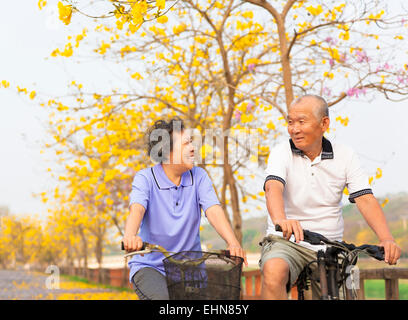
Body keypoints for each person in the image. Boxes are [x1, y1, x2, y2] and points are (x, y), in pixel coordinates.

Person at [260, 94, 401, 299]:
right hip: (286, 242)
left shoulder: (345, 155)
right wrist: (280, 220)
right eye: (290, 122)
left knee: (342, 290)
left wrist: (386, 238)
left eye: (301, 121)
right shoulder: (281, 152)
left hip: (329, 246)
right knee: (274, 270)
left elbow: (365, 199)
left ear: (324, 123)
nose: (294, 128)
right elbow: (273, 187)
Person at [122, 118, 247, 300]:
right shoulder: (146, 178)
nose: (192, 148)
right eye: (186, 143)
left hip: (190, 269)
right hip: (151, 267)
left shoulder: (199, 176)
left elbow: (213, 209)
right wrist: (130, 236)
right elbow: (137, 209)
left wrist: (232, 242)